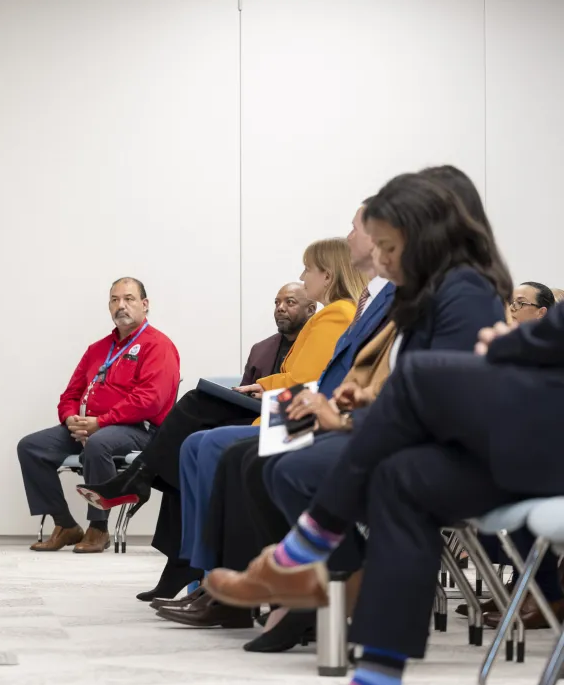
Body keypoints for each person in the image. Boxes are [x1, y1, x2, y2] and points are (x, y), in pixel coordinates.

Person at [201, 297, 564, 685]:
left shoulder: (459, 288)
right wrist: (519, 341)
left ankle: (301, 556)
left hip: (533, 439)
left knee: (414, 393)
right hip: (526, 434)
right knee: (398, 474)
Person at [173, 165, 492, 646]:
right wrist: (352, 403)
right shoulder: (422, 291)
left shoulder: (457, 292)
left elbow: (442, 394)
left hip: (435, 450)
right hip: (396, 430)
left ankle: (322, 578)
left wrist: (345, 415)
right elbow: (407, 379)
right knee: (251, 458)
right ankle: (315, 584)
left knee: (278, 465)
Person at [78, 238, 364, 599]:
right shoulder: (331, 314)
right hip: (285, 402)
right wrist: (261, 385)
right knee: (187, 441)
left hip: (294, 412)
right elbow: (300, 376)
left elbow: (304, 380)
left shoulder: (335, 313)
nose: (303, 275)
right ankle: (173, 545)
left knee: (196, 406)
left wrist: (264, 387)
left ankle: (141, 484)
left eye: (307, 268)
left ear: (327, 273)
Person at [155, 203, 390, 630]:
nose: (302, 279)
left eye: (307, 271)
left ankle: (216, 580)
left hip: (319, 412)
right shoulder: (358, 305)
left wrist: (290, 398)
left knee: (218, 446)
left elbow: (315, 379)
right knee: (203, 440)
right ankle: (208, 577)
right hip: (313, 407)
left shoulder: (349, 310)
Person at [17, 278, 180, 554]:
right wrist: (71, 419)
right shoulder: (98, 349)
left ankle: (98, 528)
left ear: (145, 304)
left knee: (99, 443)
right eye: (115, 300)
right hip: (88, 427)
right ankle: (65, 524)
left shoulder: (159, 346)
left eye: (129, 299)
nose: (121, 305)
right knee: (31, 447)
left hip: (139, 429)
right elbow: (70, 394)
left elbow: (150, 401)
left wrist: (100, 423)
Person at [243, 283, 315, 386]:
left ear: (310, 310)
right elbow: (241, 396)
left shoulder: (322, 345)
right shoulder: (259, 350)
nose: (280, 308)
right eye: (277, 303)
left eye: (290, 302)